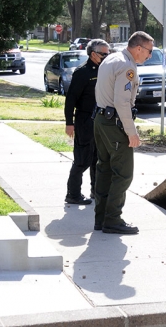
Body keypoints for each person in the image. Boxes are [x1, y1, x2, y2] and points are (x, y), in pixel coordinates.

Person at [93, 31, 153, 234]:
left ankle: (101, 217)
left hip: (101, 120)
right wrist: (131, 132)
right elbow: (121, 102)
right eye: (149, 51)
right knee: (124, 174)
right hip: (115, 124)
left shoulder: (111, 58)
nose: (149, 55)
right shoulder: (127, 66)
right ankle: (113, 219)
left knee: (105, 170)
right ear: (138, 48)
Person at [64, 39, 110, 205]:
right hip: (84, 120)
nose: (106, 56)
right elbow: (71, 100)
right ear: (93, 54)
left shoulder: (104, 70)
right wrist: (69, 122)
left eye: (108, 53)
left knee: (97, 159)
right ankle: (73, 194)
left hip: (100, 120)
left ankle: (96, 191)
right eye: (103, 54)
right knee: (82, 159)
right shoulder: (82, 72)